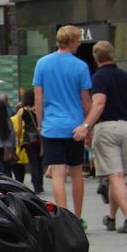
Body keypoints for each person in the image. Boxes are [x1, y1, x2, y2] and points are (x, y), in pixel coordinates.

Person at [33, 24, 92, 225]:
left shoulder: (42, 64)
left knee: (57, 173)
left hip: (51, 126)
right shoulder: (81, 66)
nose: (79, 44)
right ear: (72, 41)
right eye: (78, 40)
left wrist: (40, 124)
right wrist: (87, 125)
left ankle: (63, 218)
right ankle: (77, 217)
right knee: (76, 173)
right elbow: (86, 101)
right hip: (75, 126)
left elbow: (38, 100)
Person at [84, 41, 127, 233]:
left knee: (115, 175)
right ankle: (111, 217)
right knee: (115, 174)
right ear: (113, 54)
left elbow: (99, 104)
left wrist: (86, 126)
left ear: (95, 57)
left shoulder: (98, 78)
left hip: (107, 128)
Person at [16, 90, 44, 193]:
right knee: (40, 162)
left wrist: (18, 141)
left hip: (30, 141)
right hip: (41, 139)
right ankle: (40, 185)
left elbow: (19, 129)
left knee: (33, 163)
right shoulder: (39, 109)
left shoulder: (22, 111)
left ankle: (36, 186)